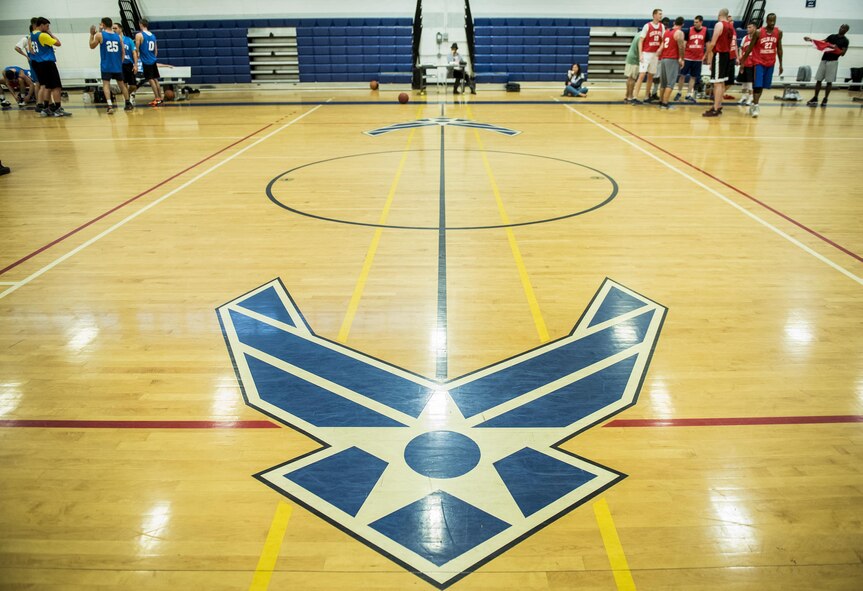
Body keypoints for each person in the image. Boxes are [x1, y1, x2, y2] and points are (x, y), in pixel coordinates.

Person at [740, 12, 782, 118]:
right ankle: (756, 105)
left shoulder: (779, 32)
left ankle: (754, 103)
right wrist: (743, 62)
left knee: (762, 85)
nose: (772, 22)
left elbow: (779, 48)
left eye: (774, 20)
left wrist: (781, 64)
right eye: (770, 20)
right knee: (757, 85)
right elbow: (749, 48)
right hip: (758, 62)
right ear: (766, 21)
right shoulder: (758, 32)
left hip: (770, 62)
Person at [89, 17, 132, 114]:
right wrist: (119, 62)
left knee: (106, 85)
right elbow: (123, 52)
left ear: (103, 24)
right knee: (122, 85)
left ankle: (110, 106)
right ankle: (128, 103)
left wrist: (92, 35)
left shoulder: (100, 35)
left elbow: (92, 46)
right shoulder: (119, 36)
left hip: (106, 65)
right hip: (117, 65)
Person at [29, 16, 70, 117]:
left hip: (39, 63)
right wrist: (50, 34)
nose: (48, 28)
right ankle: (57, 109)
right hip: (47, 63)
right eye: (47, 26)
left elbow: (31, 50)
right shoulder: (43, 35)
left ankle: (46, 108)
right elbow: (58, 43)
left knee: (47, 86)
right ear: (41, 25)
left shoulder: (32, 34)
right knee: (56, 87)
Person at [805, 24, 850, 107]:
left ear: (846, 30)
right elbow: (821, 42)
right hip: (824, 60)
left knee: (829, 82)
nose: (841, 28)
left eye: (844, 28)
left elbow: (843, 53)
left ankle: (825, 99)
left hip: (833, 62)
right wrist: (811, 40)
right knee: (818, 80)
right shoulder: (832, 36)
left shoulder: (845, 41)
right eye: (841, 27)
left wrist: (836, 48)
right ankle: (815, 98)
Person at [702, 8, 734, 117]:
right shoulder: (730, 26)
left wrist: (706, 55)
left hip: (720, 54)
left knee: (717, 83)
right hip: (727, 55)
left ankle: (715, 108)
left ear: (719, 15)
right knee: (721, 82)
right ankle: (718, 106)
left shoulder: (719, 25)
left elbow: (713, 43)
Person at [632, 8, 665, 105]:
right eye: (659, 14)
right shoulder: (647, 26)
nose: (661, 16)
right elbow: (641, 40)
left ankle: (647, 96)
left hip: (655, 54)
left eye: (661, 14)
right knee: (642, 75)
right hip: (646, 53)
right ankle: (635, 97)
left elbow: (663, 40)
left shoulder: (662, 26)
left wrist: (660, 48)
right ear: (654, 15)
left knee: (651, 76)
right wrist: (640, 54)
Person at [675, 15, 708, 103]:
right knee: (682, 75)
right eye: (694, 22)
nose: (695, 23)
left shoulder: (705, 31)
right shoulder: (689, 30)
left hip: (698, 59)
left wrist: (705, 55)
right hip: (687, 57)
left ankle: (689, 94)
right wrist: (682, 57)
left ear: (701, 22)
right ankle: (679, 92)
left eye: (697, 22)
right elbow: (684, 44)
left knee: (693, 77)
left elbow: (708, 45)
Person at [658, 17, 685, 109]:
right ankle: (665, 104)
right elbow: (681, 47)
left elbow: (662, 45)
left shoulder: (666, 31)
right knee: (670, 83)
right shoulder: (679, 33)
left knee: (663, 83)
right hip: (672, 59)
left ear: (674, 23)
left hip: (664, 58)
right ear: (682, 24)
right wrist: (682, 58)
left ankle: (661, 102)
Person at [135, 18, 163, 106]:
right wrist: (152, 57)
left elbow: (137, 49)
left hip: (146, 60)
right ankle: (160, 97)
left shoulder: (139, 35)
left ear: (141, 24)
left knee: (150, 79)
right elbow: (156, 51)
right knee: (155, 79)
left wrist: (138, 55)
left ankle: (157, 98)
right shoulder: (153, 35)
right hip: (153, 59)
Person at [113, 22, 138, 105]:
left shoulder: (128, 40)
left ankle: (128, 95)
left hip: (129, 64)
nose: (114, 30)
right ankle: (127, 101)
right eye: (113, 28)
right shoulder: (113, 40)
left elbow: (134, 52)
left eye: (115, 28)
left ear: (120, 29)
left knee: (133, 86)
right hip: (120, 65)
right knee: (124, 84)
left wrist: (135, 64)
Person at [736, 21, 757, 106]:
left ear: (754, 28)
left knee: (750, 81)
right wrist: (741, 57)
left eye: (750, 27)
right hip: (744, 62)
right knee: (743, 81)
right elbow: (740, 48)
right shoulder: (745, 38)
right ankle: (744, 96)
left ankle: (751, 97)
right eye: (747, 27)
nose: (747, 29)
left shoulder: (757, 38)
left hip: (752, 62)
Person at [623, 33, 640, 103]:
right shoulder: (641, 38)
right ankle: (630, 96)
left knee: (629, 78)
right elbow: (639, 50)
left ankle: (627, 95)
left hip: (630, 57)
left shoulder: (638, 34)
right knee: (632, 78)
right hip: (635, 59)